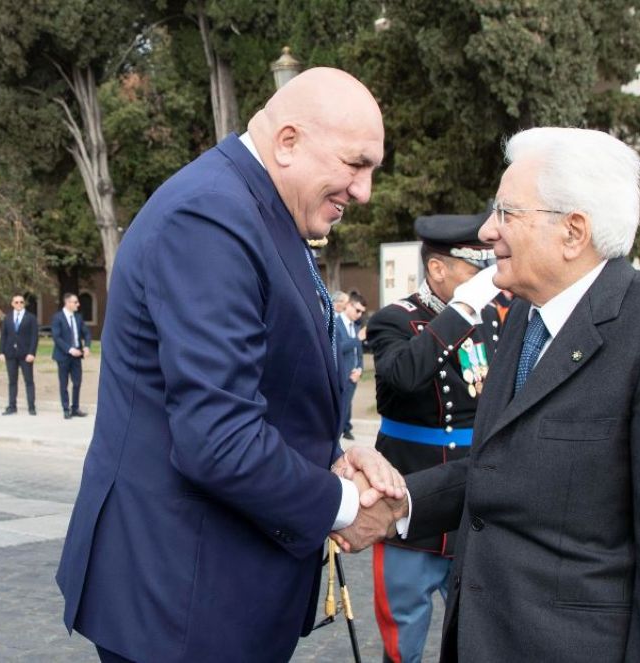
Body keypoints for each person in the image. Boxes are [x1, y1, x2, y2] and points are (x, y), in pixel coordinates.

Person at [56, 68, 404, 663]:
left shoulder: (257, 208)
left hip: (214, 592)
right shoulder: (211, 217)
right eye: (355, 164)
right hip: (183, 604)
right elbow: (217, 438)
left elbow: (265, 384)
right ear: (288, 141)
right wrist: (344, 507)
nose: (365, 190)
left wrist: (334, 457)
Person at [376, 128, 640, 662]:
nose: (488, 230)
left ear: (573, 232)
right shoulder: (524, 315)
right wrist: (398, 501)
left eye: (506, 213)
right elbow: (499, 467)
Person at [366, 211, 502, 663]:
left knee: (473, 634)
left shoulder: (495, 319)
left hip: (471, 501)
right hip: (411, 494)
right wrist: (461, 310)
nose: (486, 279)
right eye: (475, 270)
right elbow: (403, 376)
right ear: (438, 268)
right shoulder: (395, 320)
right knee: (402, 638)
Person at [51, 294, 91, 420]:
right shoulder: (57, 317)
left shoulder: (78, 317)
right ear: (67, 303)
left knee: (77, 382)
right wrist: (69, 349)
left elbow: (86, 333)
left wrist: (87, 346)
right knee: (64, 383)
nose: (78, 304)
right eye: (75, 302)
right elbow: (56, 337)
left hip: (77, 356)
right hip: (63, 356)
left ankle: (75, 408)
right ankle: (66, 408)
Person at [0, 294, 39, 416]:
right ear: (12, 304)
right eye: (16, 302)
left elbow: (34, 337)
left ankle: (31, 407)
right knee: (12, 381)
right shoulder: (8, 318)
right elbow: (4, 336)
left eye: (21, 302)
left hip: (25, 354)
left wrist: (32, 352)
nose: (19, 304)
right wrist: (1, 351)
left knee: (29, 381)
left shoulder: (30, 318)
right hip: (10, 354)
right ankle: (12, 406)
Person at [336, 291, 366, 440]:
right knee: (339, 408)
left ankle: (345, 429)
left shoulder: (355, 326)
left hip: (353, 375)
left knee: (347, 406)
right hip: (340, 375)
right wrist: (357, 338)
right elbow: (337, 348)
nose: (359, 314)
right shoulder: (335, 323)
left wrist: (360, 369)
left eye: (362, 312)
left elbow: (358, 352)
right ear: (348, 305)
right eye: (357, 310)